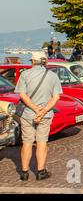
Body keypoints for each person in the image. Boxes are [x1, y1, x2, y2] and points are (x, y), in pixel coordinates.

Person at [15, 51, 62, 181]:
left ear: (32, 61)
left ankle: (24, 173)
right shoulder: (53, 76)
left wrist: (35, 109)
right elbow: (56, 97)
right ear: (45, 61)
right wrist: (42, 111)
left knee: (27, 142)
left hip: (27, 114)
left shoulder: (25, 74)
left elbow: (22, 95)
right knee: (42, 142)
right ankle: (41, 172)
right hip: (45, 115)